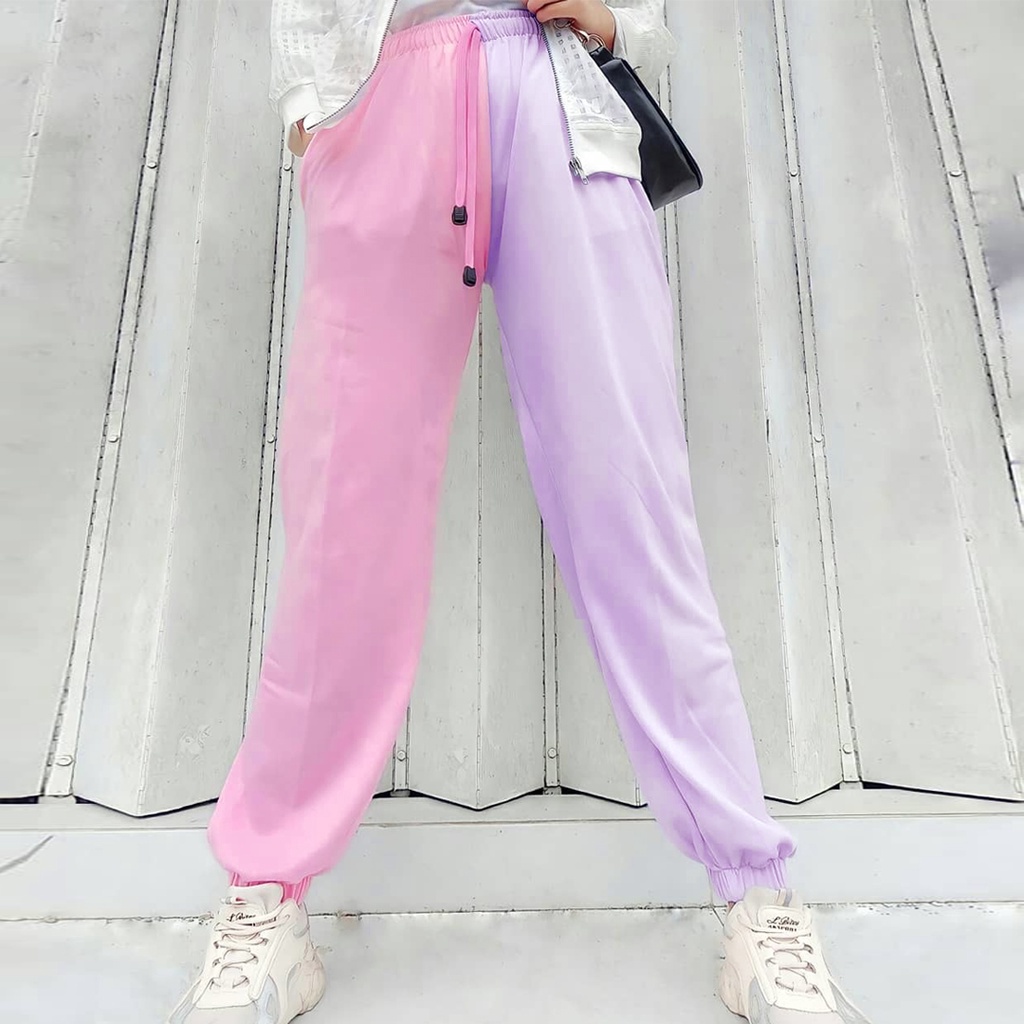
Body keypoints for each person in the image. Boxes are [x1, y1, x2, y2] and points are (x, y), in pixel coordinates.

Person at [169, 2, 872, 1022]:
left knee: (634, 512)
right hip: (383, 94)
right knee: (344, 531)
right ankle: (265, 893)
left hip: (561, 96)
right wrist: (308, 97)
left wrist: (621, 20)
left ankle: (756, 890)